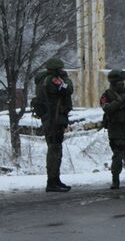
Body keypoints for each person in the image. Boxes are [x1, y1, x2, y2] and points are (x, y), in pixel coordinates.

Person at [37, 58, 74, 192]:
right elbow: (68, 89)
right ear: (56, 70)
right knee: (54, 150)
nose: (63, 71)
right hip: (54, 119)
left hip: (50, 118)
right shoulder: (53, 80)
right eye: (61, 69)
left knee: (55, 150)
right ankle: (52, 182)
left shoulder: (43, 80)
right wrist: (66, 78)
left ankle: (55, 180)